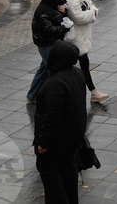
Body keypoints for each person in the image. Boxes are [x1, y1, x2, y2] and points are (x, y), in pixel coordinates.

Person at [33, 41, 85, 204]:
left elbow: (51, 117)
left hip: (56, 141)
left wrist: (43, 143)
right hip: (72, 138)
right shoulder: (77, 73)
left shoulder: (54, 84)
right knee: (68, 171)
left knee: (49, 172)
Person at [61, 0, 108, 102]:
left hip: (82, 36)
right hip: (75, 37)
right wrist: (92, 13)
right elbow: (79, 17)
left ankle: (93, 92)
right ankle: (93, 92)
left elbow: (91, 4)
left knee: (82, 65)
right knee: (81, 65)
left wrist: (91, 11)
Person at [27, 0, 72, 102]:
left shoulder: (53, 4)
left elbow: (60, 14)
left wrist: (65, 12)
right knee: (55, 72)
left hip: (53, 43)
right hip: (47, 45)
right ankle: (54, 98)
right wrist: (64, 28)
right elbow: (49, 30)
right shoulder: (43, 11)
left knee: (43, 71)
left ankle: (33, 96)